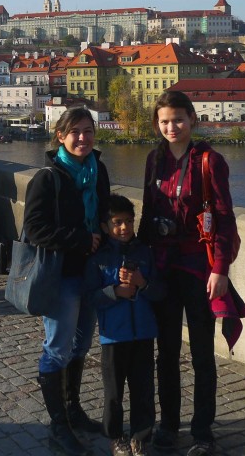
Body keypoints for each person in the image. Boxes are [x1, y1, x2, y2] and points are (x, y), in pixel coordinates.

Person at [138, 91, 238, 456]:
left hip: (198, 268)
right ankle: (168, 424)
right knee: (164, 352)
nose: (171, 127)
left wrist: (220, 269)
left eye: (178, 119)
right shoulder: (154, 160)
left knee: (201, 354)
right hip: (163, 267)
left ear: (192, 119)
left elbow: (225, 218)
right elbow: (148, 214)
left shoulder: (210, 161)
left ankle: (202, 430)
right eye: (164, 121)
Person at [24, 106, 111, 456]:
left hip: (92, 273)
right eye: (75, 131)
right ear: (60, 136)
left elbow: (103, 213)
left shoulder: (98, 170)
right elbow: (35, 229)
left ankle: (73, 410)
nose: (83, 138)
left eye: (88, 131)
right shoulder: (48, 178)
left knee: (80, 346)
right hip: (62, 275)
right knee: (57, 347)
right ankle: (58, 427)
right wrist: (79, 239)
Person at [85, 194, 166, 456]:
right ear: (106, 226)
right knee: (113, 392)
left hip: (143, 332)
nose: (124, 228)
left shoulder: (145, 253)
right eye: (118, 222)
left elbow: (159, 293)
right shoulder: (99, 258)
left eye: (129, 222)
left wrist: (142, 283)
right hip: (114, 336)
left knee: (143, 388)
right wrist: (115, 292)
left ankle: (141, 434)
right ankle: (116, 436)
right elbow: (91, 296)